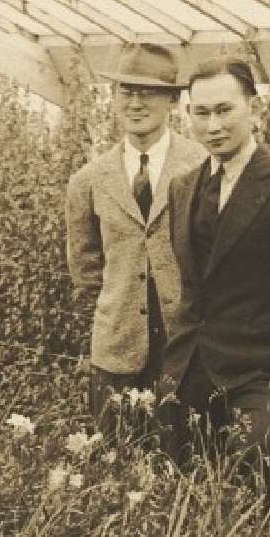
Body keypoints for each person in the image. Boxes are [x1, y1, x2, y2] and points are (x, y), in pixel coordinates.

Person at [161, 56, 270, 460]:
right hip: (188, 374)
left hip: (262, 377)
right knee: (181, 503)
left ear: (253, 107)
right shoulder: (183, 187)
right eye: (201, 113)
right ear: (187, 115)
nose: (213, 126)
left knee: (259, 499)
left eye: (224, 110)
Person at [66, 43, 206, 437]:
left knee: (185, 459)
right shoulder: (89, 180)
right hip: (117, 351)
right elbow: (85, 264)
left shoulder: (200, 167)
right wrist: (113, 313)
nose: (136, 103)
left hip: (186, 346)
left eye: (149, 92)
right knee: (115, 460)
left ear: (174, 100)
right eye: (126, 91)